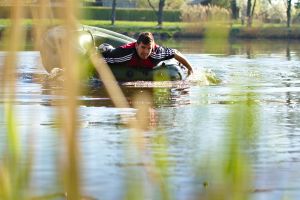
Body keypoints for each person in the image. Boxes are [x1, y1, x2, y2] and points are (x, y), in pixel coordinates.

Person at [100, 32, 194, 75]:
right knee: (107, 50)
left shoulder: (157, 53)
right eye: (143, 47)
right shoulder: (125, 53)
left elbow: (175, 52)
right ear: (137, 45)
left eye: (148, 48)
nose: (145, 52)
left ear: (152, 47)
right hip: (112, 51)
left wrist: (190, 69)